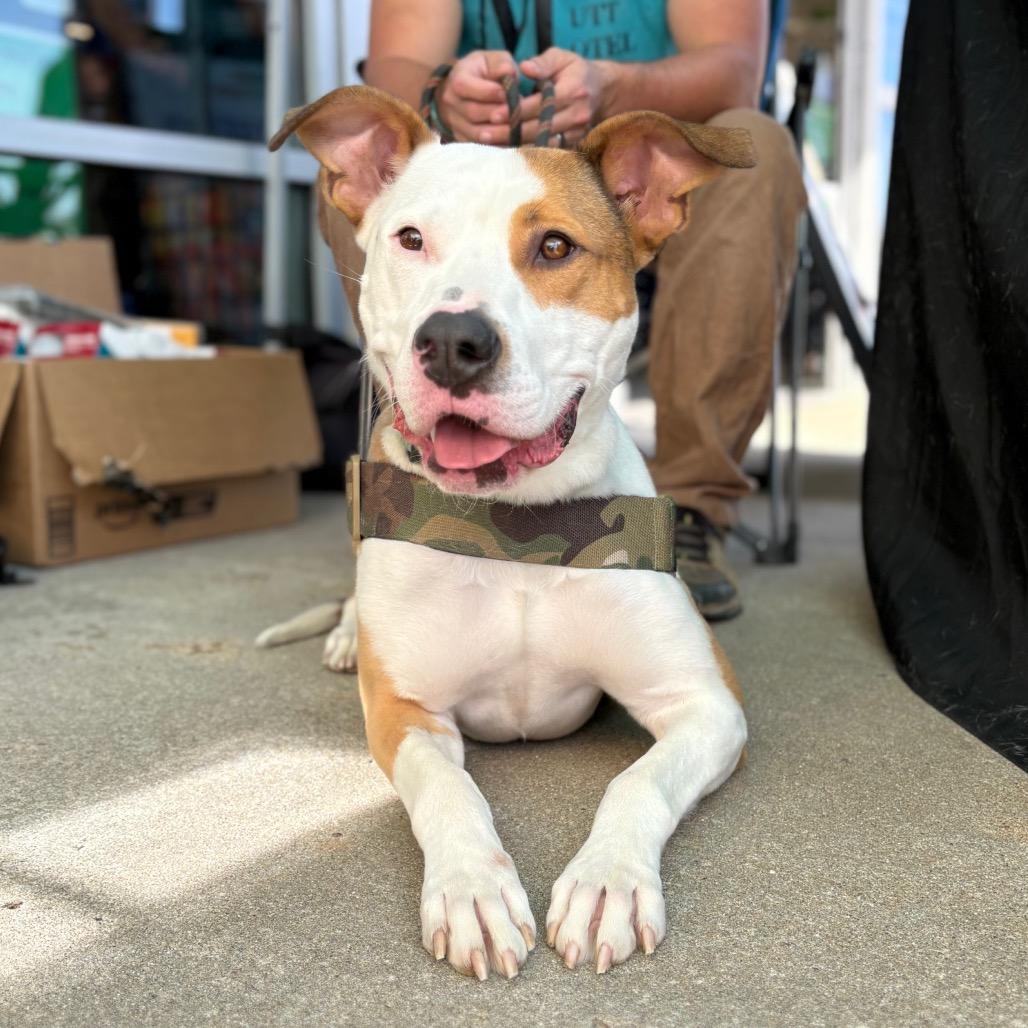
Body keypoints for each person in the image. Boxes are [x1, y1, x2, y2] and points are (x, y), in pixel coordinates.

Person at [323, 0, 805, 620]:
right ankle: (414, 490)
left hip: (626, 179)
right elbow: (393, 67)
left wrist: (616, 89)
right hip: (466, 168)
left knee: (757, 148)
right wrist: (442, 93)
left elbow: (735, 73)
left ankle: (690, 504)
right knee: (370, 188)